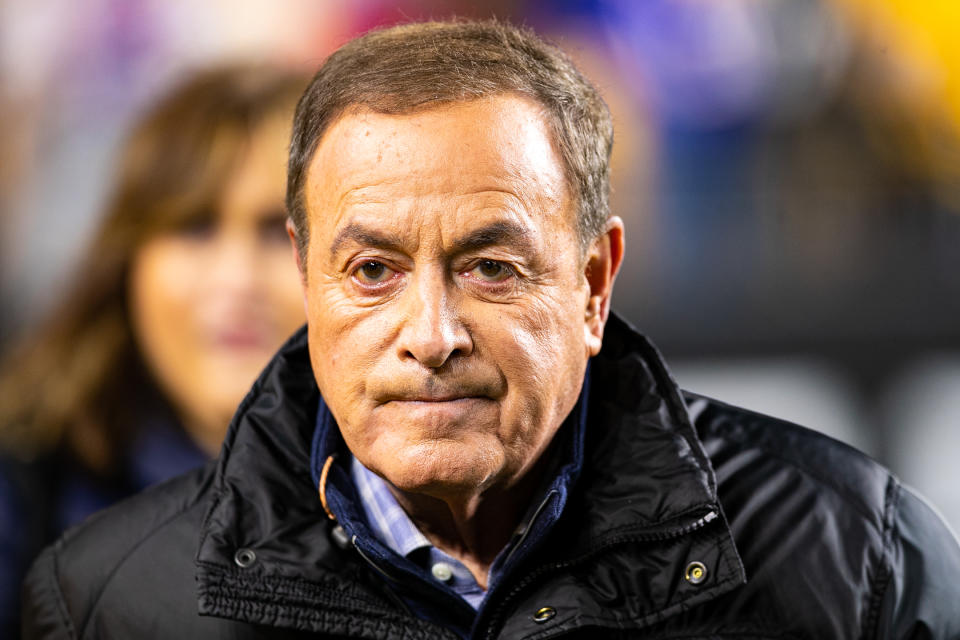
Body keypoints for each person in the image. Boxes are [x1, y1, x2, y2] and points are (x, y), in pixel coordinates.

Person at [22, 20, 960, 639]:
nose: (431, 334)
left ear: (594, 284)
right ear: (308, 280)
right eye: (373, 271)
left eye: (490, 268)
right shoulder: (105, 601)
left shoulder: (854, 562)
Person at [0, 66, 306, 635]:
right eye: (194, 227)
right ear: (126, 264)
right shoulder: (24, 487)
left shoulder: (437, 506)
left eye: (274, 232)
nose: (234, 279)